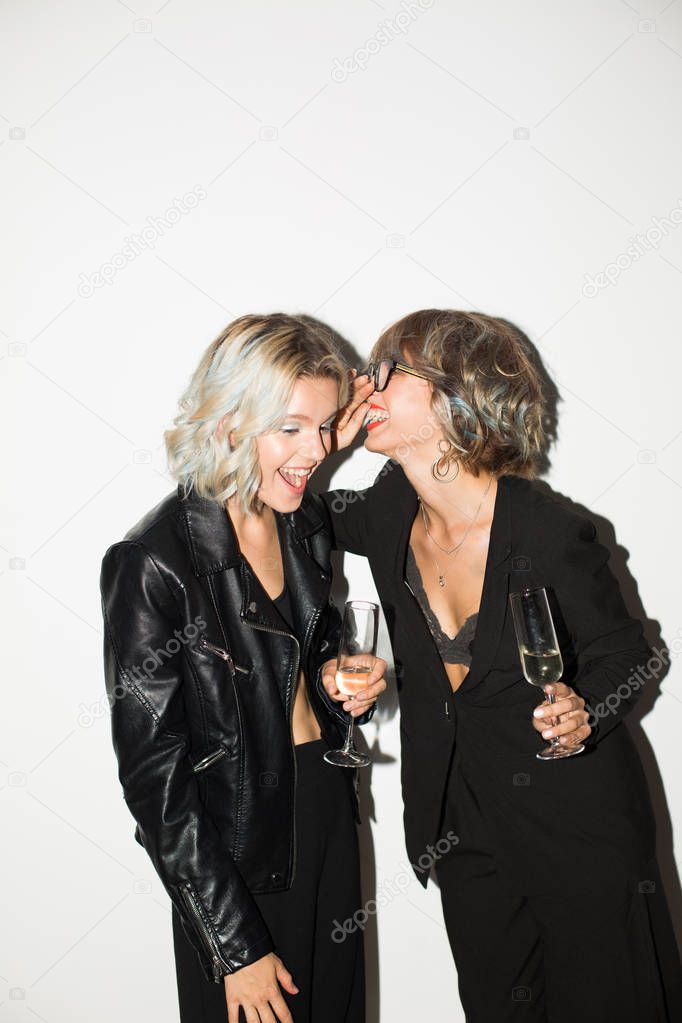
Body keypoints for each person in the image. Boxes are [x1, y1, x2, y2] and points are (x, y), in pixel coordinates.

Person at [316, 309, 682, 1022]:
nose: (370, 382)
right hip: (463, 831)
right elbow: (293, 511)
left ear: (456, 396)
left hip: (580, 831)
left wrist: (588, 711)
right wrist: (326, 426)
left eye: (392, 370)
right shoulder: (389, 508)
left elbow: (633, 654)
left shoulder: (548, 528)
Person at [99, 313, 386, 1023]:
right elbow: (154, 782)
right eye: (290, 427)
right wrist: (234, 944)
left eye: (323, 427)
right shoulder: (154, 562)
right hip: (236, 857)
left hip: (325, 815)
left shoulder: (305, 524)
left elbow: (300, 671)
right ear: (230, 420)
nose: (316, 449)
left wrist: (333, 688)